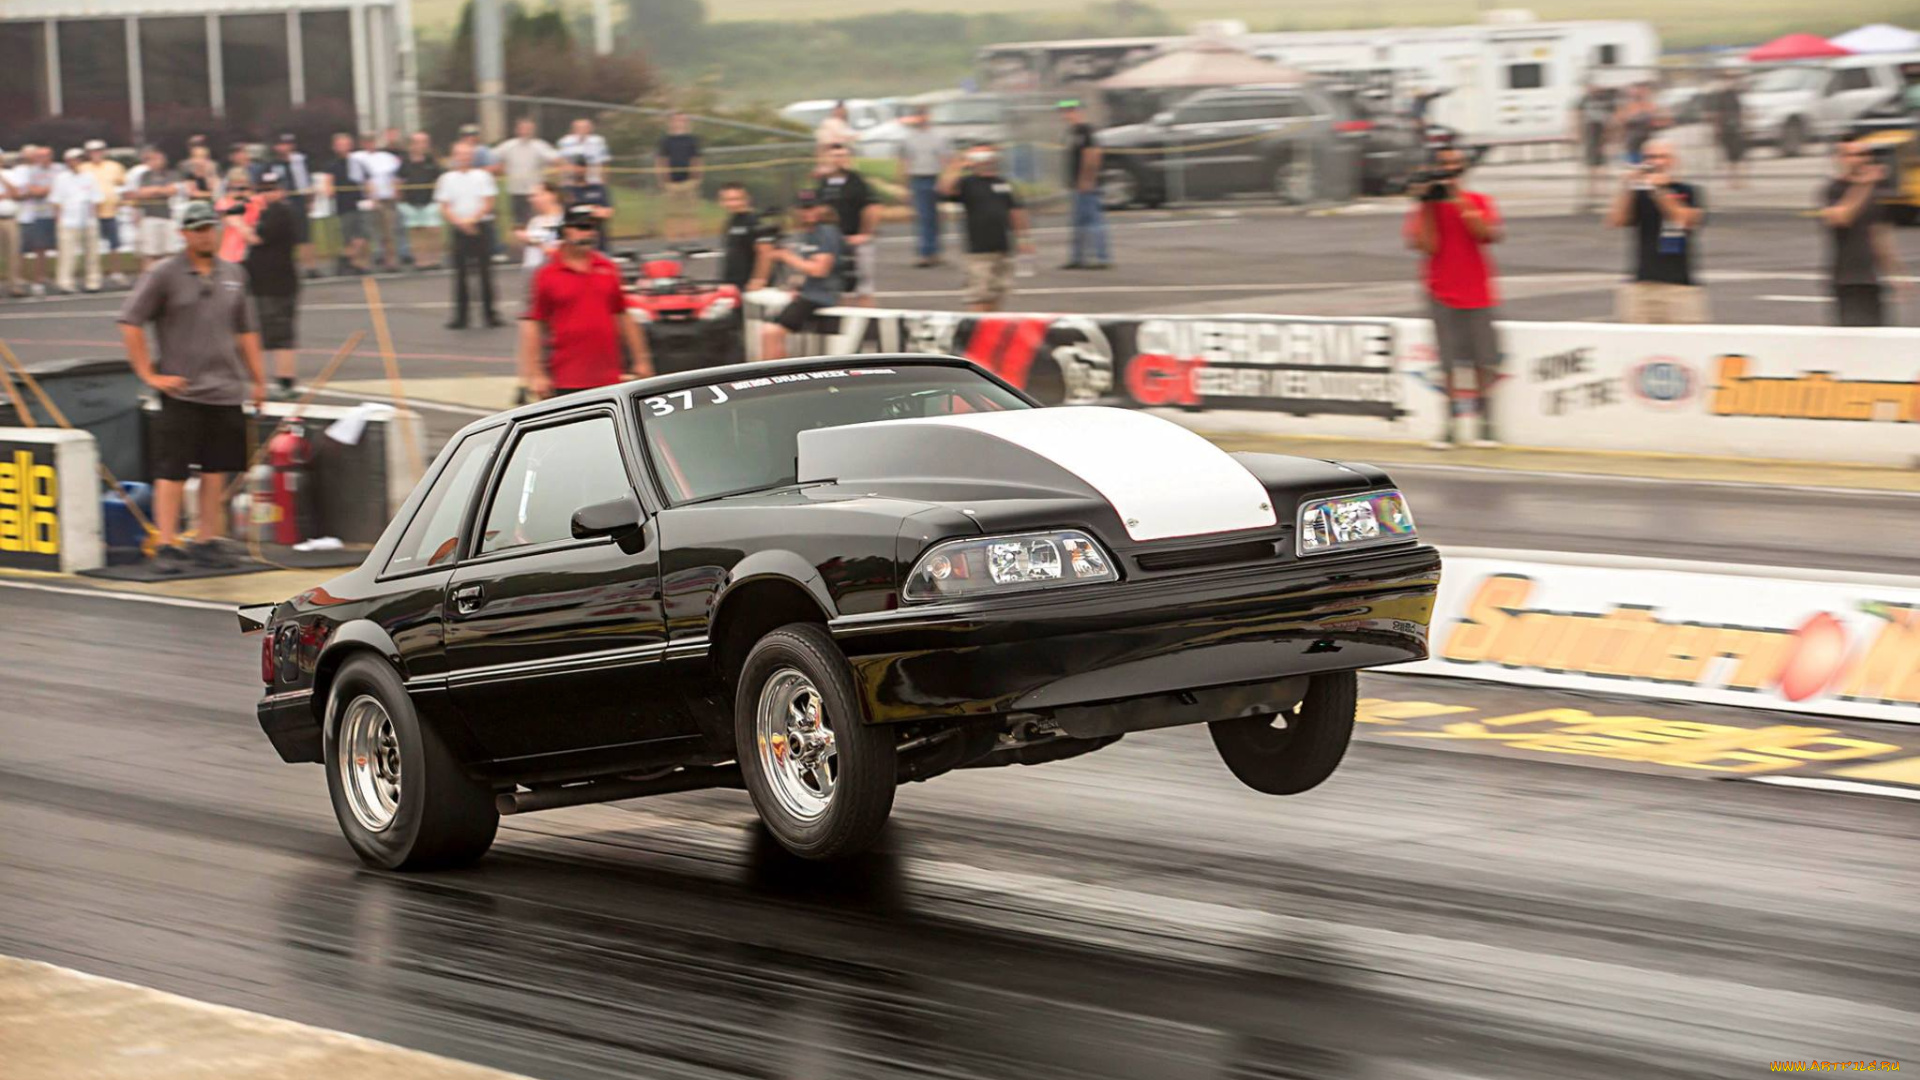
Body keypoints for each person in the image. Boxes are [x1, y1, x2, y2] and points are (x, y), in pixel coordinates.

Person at [117, 200, 266, 572]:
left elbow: (246, 330)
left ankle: (206, 539)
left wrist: (259, 379)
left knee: (217, 468)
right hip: (181, 389)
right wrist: (149, 375)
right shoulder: (164, 273)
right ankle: (167, 543)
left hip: (226, 388)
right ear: (184, 233)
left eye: (209, 227)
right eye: (197, 229)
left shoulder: (235, 273)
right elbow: (130, 320)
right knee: (172, 471)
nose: (205, 234)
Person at [1404, 145, 1503, 448]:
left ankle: (1485, 423)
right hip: (1442, 292)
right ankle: (1449, 425)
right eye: (1444, 166)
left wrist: (1456, 196)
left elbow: (1487, 233)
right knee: (1448, 363)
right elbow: (1427, 245)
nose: (1449, 171)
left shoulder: (1477, 201)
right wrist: (1430, 204)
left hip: (1477, 291)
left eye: (1454, 166)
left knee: (1483, 361)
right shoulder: (1425, 209)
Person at [519, 205, 653, 399]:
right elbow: (534, 325)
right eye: (582, 227)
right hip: (564, 379)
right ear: (565, 230)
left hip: (608, 380)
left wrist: (641, 360)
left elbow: (623, 315)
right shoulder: (546, 273)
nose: (588, 233)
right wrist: (536, 373)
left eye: (592, 227)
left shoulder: (607, 268)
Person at [1606, 140, 1707, 324]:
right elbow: (1616, 221)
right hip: (1642, 284)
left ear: (1674, 161)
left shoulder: (1688, 191)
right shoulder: (1639, 195)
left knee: (1686, 345)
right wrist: (1627, 187)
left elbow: (1684, 220)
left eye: (1662, 157)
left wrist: (1660, 190)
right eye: (1651, 157)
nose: (1657, 162)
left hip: (1680, 286)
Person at [937, 143, 1032, 313]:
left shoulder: (1004, 184)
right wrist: (958, 164)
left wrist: (1024, 239)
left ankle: (992, 334)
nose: (986, 160)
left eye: (988, 156)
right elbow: (945, 190)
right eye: (980, 156)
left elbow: (1016, 211)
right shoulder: (967, 183)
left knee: (998, 294)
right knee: (979, 296)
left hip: (1002, 249)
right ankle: (976, 334)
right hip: (979, 252)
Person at [1819, 141, 1902, 327]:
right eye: (1853, 155)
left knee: (1878, 336)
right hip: (1848, 279)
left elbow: (1878, 232)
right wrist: (1863, 186)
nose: (1860, 160)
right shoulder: (1833, 189)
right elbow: (1841, 217)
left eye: (1864, 155)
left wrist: (1894, 271)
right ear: (1840, 159)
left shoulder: (1873, 190)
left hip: (1872, 278)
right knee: (1854, 338)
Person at [760, 190, 843, 361]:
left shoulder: (826, 233)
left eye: (811, 208)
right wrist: (797, 285)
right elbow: (807, 268)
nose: (807, 213)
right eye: (804, 209)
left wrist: (787, 256)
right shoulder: (810, 234)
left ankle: (774, 375)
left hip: (821, 294)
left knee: (771, 332)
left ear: (820, 208)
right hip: (810, 292)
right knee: (769, 329)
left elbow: (820, 270)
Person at [245, 171, 302, 398]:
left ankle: (285, 382)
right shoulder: (266, 213)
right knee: (267, 332)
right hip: (266, 282)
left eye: (271, 189)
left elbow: (257, 237)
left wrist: (236, 223)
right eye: (262, 190)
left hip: (276, 283)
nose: (267, 194)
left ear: (280, 190)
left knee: (278, 333)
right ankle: (279, 380)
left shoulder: (280, 212)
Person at [435, 142, 502, 329]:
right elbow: (444, 206)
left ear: (472, 156)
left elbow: (488, 202)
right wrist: (460, 222)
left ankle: (491, 315)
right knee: (460, 274)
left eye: (467, 154)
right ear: (453, 156)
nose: (463, 157)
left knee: (485, 273)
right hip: (459, 229)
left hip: (481, 227)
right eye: (459, 154)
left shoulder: (483, 176)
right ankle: (461, 317)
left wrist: (473, 220)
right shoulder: (446, 179)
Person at [815, 144, 879, 305]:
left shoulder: (857, 182)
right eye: (835, 156)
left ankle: (868, 326)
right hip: (833, 243)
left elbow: (873, 207)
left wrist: (865, 234)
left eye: (843, 155)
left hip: (855, 241)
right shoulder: (824, 183)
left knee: (863, 290)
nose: (839, 159)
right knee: (840, 291)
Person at [1060, 100, 1112, 270]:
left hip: (1086, 184)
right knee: (1079, 222)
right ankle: (1077, 257)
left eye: (1070, 111)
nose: (1067, 114)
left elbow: (1093, 155)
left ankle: (1102, 257)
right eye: (1065, 111)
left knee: (1093, 221)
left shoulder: (1086, 131)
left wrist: (1087, 179)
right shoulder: (1072, 132)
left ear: (1078, 112)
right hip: (1076, 184)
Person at [897, 108, 948, 267]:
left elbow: (945, 159)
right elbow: (905, 161)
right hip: (918, 178)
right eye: (918, 116)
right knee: (924, 217)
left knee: (935, 217)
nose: (920, 119)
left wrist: (945, 179)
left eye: (923, 115)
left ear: (928, 117)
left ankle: (935, 251)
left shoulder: (938, 137)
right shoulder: (909, 138)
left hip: (934, 177)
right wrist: (905, 185)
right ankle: (925, 252)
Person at [494, 117, 559, 241]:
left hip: (535, 193)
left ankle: (540, 242)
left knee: (536, 220)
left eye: (528, 128)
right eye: (522, 128)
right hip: (516, 191)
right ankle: (519, 249)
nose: (525, 131)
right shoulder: (509, 145)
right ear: (517, 130)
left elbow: (555, 158)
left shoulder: (539, 145)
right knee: (518, 222)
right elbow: (493, 156)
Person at [52, 148, 104, 294]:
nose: (76, 162)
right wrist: (59, 221)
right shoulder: (61, 178)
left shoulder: (89, 176)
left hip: (88, 220)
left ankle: (93, 281)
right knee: (67, 254)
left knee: (92, 253)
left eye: (79, 159)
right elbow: (56, 201)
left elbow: (96, 199)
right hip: (68, 221)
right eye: (73, 159)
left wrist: (94, 218)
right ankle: (65, 282)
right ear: (67, 161)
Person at [125, 146, 185, 270]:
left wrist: (153, 191)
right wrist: (160, 190)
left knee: (170, 251)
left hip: (168, 216)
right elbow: (140, 193)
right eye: (151, 159)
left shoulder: (172, 174)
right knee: (149, 253)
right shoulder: (143, 176)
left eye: (157, 159)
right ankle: (149, 280)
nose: (154, 162)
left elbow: (172, 190)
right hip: (149, 217)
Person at [79, 140, 128, 285]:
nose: (96, 154)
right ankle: (94, 275)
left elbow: (123, 185)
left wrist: (121, 201)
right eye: (93, 151)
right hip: (90, 214)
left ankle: (116, 272)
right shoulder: (82, 168)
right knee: (91, 246)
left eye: (99, 150)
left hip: (111, 211)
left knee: (114, 244)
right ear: (87, 153)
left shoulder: (115, 167)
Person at [354, 132, 402, 270]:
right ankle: (366, 263)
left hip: (386, 199)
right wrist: (370, 195)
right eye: (366, 141)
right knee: (366, 233)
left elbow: (395, 177)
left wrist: (396, 192)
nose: (370, 144)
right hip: (366, 201)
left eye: (372, 141)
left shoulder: (388, 157)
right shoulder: (356, 157)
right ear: (362, 143)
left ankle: (391, 261)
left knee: (389, 232)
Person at [320, 132, 367, 275]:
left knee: (360, 237)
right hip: (343, 205)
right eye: (340, 144)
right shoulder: (332, 165)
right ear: (334, 147)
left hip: (358, 203)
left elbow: (365, 181)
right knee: (347, 237)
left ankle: (349, 261)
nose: (344, 147)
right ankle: (345, 263)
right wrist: (329, 190)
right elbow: (328, 183)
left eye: (346, 144)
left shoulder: (357, 162)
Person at [397, 131, 444, 270]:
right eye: (417, 142)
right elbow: (399, 181)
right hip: (410, 203)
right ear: (411, 145)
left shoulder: (432, 161)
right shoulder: (404, 162)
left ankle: (434, 260)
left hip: (430, 202)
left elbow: (439, 179)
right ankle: (420, 261)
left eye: (424, 142)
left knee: (433, 231)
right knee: (416, 233)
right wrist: (401, 199)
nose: (421, 145)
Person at [655, 112, 704, 242]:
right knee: (671, 213)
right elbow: (661, 160)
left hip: (689, 181)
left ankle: (691, 238)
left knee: (690, 212)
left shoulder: (692, 140)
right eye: (676, 120)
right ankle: (672, 239)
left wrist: (697, 177)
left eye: (682, 120)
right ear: (671, 123)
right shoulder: (665, 141)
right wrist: (663, 179)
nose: (679, 123)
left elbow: (697, 159)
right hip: (671, 183)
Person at [718, 182, 777, 290]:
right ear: (721, 202)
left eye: (736, 199)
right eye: (727, 200)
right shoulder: (731, 222)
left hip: (753, 285)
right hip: (733, 284)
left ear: (747, 199)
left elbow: (766, 253)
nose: (732, 203)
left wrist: (759, 279)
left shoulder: (756, 221)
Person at [16, 146, 58, 296]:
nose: (40, 158)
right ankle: (32, 280)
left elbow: (61, 188)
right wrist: (47, 189)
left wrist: (44, 190)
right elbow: (29, 191)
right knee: (34, 248)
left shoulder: (58, 169)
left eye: (44, 156)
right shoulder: (29, 171)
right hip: (34, 215)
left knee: (46, 249)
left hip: (54, 214)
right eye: (38, 156)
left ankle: (43, 276)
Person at [1571, 79, 1616, 213]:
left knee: (1603, 163)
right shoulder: (1584, 100)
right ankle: (1592, 190)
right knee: (1591, 164)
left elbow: (1613, 117)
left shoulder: (1606, 99)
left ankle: (1603, 190)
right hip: (1590, 132)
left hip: (1603, 131)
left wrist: (1611, 136)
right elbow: (1577, 115)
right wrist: (1576, 131)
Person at [560, 155, 613, 251]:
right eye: (576, 166)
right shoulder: (566, 191)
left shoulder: (598, 189)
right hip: (575, 244)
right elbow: (563, 215)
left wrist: (584, 211)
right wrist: (592, 210)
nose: (579, 169)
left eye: (582, 166)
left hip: (598, 241)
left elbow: (606, 213)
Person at [1706, 73, 1746, 190]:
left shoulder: (1735, 95)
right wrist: (1717, 129)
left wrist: (1742, 126)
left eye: (1731, 80)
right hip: (1725, 129)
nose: (1729, 82)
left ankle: (1739, 180)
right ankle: (1732, 180)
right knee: (1729, 156)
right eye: (1726, 80)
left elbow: (1740, 112)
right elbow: (1716, 114)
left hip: (1736, 128)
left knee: (1738, 155)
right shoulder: (1720, 96)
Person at [517, 182, 564, 269]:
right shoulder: (535, 221)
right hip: (532, 271)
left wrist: (533, 240)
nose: (532, 200)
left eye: (537, 195)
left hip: (552, 272)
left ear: (552, 196)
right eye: (531, 196)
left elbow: (560, 252)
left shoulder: (563, 221)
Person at [0, 150, 24, 297]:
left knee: (13, 254)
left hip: (9, 218)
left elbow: (16, 193)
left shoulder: (11, 174)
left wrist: (2, 178)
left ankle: (14, 286)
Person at [556, 118, 609, 183]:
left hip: (593, 179)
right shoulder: (565, 141)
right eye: (578, 127)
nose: (582, 130)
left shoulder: (598, 141)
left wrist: (603, 180)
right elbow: (560, 160)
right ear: (573, 129)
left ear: (590, 128)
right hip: (570, 180)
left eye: (585, 127)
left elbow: (603, 162)